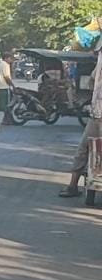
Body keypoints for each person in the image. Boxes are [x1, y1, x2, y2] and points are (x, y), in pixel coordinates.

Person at [60, 50, 102, 197]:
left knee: (83, 150)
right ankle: (72, 186)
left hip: (96, 114)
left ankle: (73, 186)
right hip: (96, 115)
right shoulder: (99, 65)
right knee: (83, 150)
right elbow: (91, 81)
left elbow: (91, 83)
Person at [0, 51, 15, 126]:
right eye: (10, 58)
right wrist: (12, 85)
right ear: (6, 58)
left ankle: (2, 120)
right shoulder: (6, 65)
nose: (11, 60)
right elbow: (6, 77)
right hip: (4, 87)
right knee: (7, 105)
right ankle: (7, 120)